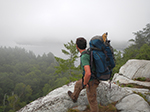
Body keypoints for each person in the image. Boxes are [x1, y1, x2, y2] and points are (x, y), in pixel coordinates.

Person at [68, 37, 100, 112]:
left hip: (92, 80)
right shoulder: (88, 52)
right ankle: (74, 97)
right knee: (78, 84)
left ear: (77, 46)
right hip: (94, 76)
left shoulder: (84, 56)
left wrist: (85, 83)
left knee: (92, 101)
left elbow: (88, 73)